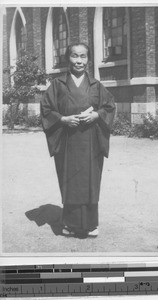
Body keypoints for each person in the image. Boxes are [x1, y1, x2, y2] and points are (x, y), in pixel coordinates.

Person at [40, 43, 115, 238]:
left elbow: (109, 107)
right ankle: (70, 224)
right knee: (70, 180)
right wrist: (63, 119)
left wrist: (96, 116)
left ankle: (90, 225)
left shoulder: (96, 85)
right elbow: (47, 109)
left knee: (90, 180)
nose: (79, 61)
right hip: (67, 140)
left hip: (91, 141)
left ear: (88, 59)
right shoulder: (58, 84)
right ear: (68, 58)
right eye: (74, 56)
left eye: (83, 56)